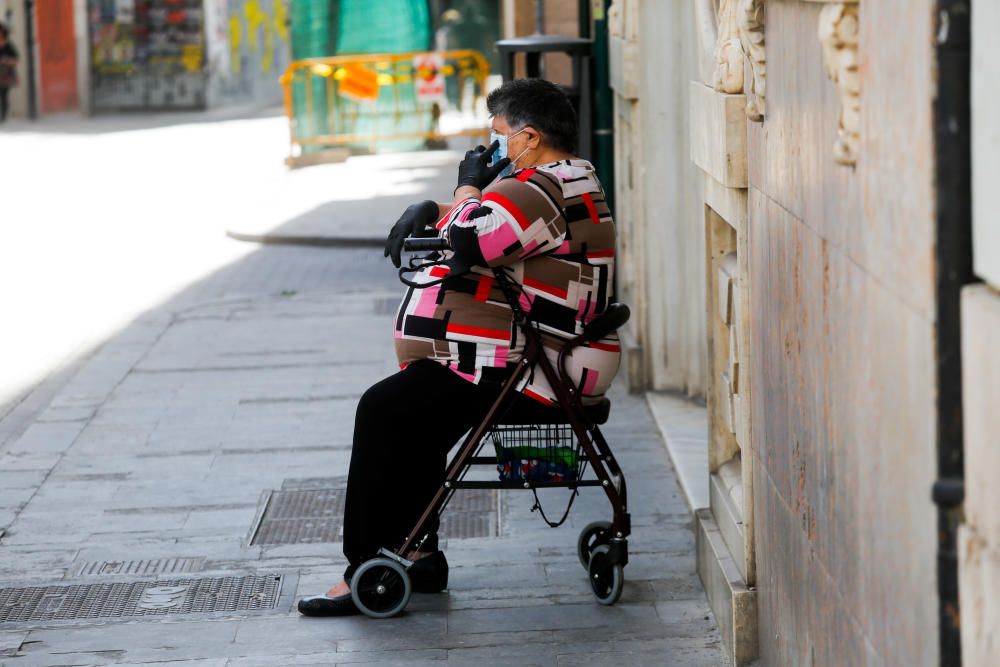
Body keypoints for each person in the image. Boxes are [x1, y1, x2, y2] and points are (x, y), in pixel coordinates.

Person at [298, 78, 620, 617]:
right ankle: (417, 556)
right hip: (523, 360)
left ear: (530, 137)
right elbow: (489, 225)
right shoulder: (559, 179)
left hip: (530, 370)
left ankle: (363, 570)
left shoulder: (543, 187)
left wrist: (466, 188)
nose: (492, 149)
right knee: (415, 417)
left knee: (382, 410)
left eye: (498, 137)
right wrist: (441, 204)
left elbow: (472, 238)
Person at [0, 23, 18, 123]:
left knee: (4, 95)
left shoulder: (8, 45)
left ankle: (3, 115)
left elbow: (16, 59)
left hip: (5, 74)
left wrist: (5, 60)